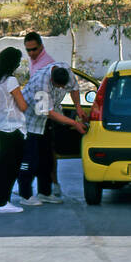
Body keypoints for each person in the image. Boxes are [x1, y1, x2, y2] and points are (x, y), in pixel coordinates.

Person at [20, 64, 89, 204]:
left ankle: (44, 193)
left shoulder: (66, 71)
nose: (62, 89)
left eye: (63, 87)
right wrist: (74, 123)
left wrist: (78, 107)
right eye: (59, 87)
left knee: (47, 158)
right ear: (52, 80)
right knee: (30, 160)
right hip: (29, 121)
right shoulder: (41, 83)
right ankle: (25, 195)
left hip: (45, 123)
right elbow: (48, 113)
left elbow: (74, 89)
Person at [0, 47, 28, 213]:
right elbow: (22, 105)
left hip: (1, 128)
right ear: (14, 63)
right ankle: (3, 202)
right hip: (14, 128)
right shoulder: (11, 81)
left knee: (0, 165)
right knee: (11, 167)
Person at [17, 31, 56, 200]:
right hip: (34, 118)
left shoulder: (47, 63)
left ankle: (43, 191)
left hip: (42, 117)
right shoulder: (35, 62)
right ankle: (34, 192)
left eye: (34, 49)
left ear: (41, 46)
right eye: (28, 50)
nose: (31, 53)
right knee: (35, 157)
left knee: (42, 157)